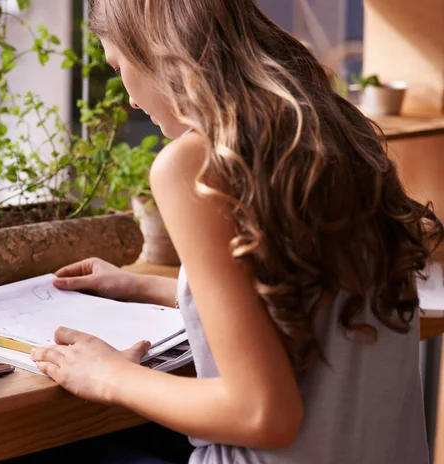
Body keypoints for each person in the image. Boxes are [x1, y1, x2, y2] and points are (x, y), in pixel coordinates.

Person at [30, 0, 444, 462]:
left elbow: (263, 413)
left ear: (155, 48)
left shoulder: (192, 164)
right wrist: (146, 286)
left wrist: (108, 375)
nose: (128, 97)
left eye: (117, 64)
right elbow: (306, 294)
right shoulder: (336, 131)